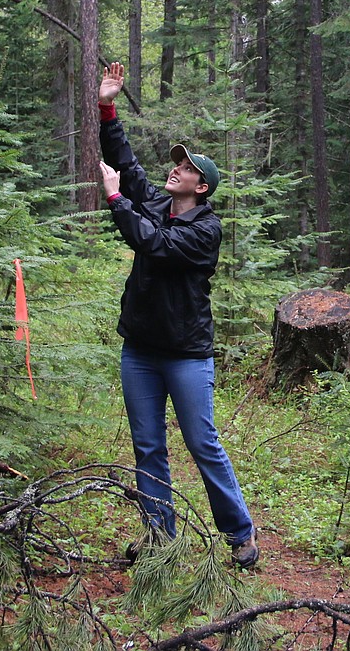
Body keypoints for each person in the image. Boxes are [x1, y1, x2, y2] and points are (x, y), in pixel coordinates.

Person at [96, 61, 258, 569]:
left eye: (186, 168)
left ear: (201, 187)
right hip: (140, 350)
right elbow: (124, 162)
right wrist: (107, 105)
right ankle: (160, 539)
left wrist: (117, 200)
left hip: (186, 355)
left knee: (202, 444)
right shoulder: (154, 201)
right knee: (148, 447)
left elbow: (155, 245)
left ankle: (241, 535)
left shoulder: (204, 230)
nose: (176, 169)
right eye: (177, 164)